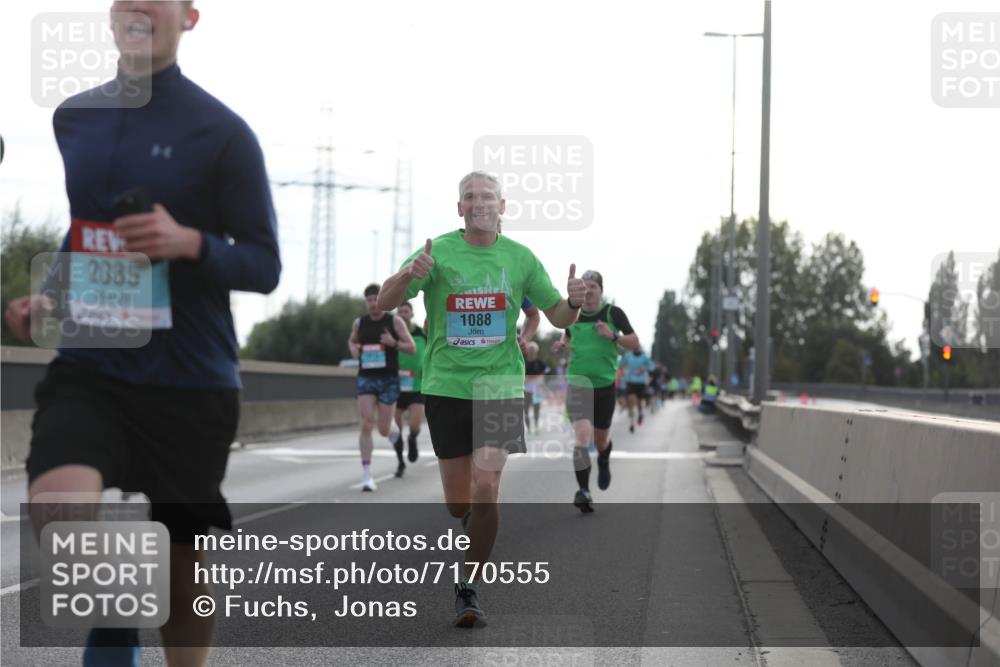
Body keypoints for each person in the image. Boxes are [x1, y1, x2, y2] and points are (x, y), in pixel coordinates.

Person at [3, 2, 281, 665]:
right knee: (57, 507)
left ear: (188, 17)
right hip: (93, 364)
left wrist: (190, 242)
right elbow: (87, 231)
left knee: (186, 559)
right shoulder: (74, 117)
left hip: (190, 378)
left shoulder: (223, 134)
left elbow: (265, 265)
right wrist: (46, 299)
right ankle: (116, 615)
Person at [376, 171, 586, 627]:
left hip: (499, 386)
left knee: (487, 488)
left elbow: (556, 312)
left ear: (502, 206)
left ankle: (467, 587)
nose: (480, 203)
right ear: (460, 209)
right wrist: (408, 275)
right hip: (446, 387)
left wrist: (575, 304)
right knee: (459, 503)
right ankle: (475, 521)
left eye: (488, 197)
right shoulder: (437, 252)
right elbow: (386, 302)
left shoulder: (520, 257)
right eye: (470, 197)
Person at [552, 271, 638, 513]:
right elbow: (567, 335)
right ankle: (583, 490)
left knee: (600, 441)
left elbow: (635, 342)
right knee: (581, 437)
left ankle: (604, 457)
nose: (588, 291)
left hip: (604, 386)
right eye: (584, 287)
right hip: (578, 384)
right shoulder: (574, 314)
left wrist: (612, 336)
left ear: (601, 290)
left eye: (592, 287)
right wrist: (562, 344)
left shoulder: (613, 313)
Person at [348, 284, 416, 486]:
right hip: (366, 378)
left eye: (375, 299)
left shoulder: (394, 322)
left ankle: (393, 430)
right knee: (366, 423)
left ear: (382, 299)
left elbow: (411, 348)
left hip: (388, 379)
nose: (372, 303)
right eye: (368, 300)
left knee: (383, 429)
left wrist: (392, 343)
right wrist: (354, 350)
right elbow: (352, 341)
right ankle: (367, 475)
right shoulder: (359, 323)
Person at [394, 300, 426, 466]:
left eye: (406, 311)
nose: (403, 315)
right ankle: (400, 461)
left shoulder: (421, 333)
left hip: (417, 386)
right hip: (396, 387)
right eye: (400, 312)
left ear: (412, 314)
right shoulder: (391, 335)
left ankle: (412, 439)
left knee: (415, 425)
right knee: (396, 429)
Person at [620, 348, 655, 433]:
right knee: (631, 402)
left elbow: (652, 366)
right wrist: (623, 372)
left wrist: (645, 368)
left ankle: (640, 414)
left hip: (640, 383)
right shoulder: (628, 355)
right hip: (630, 382)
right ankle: (632, 423)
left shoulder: (644, 356)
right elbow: (620, 364)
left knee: (639, 402)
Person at [522, 342, 548, 434]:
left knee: (536, 409)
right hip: (526, 390)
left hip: (537, 391)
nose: (532, 352)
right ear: (527, 351)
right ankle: (528, 428)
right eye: (530, 349)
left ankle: (536, 426)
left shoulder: (540, 363)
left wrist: (531, 378)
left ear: (537, 351)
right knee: (525, 410)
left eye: (533, 350)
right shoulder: (523, 363)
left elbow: (544, 375)